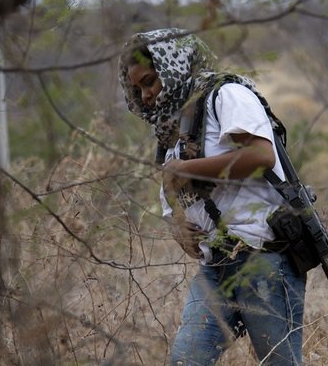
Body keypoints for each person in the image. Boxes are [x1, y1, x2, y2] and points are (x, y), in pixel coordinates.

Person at [118, 28, 306, 365]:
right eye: (137, 89)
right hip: (215, 267)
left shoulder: (227, 95)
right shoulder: (171, 126)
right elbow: (171, 183)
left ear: (171, 68)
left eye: (148, 82)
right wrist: (177, 221)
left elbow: (261, 156)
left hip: (264, 259)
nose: (145, 95)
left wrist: (186, 170)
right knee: (186, 360)